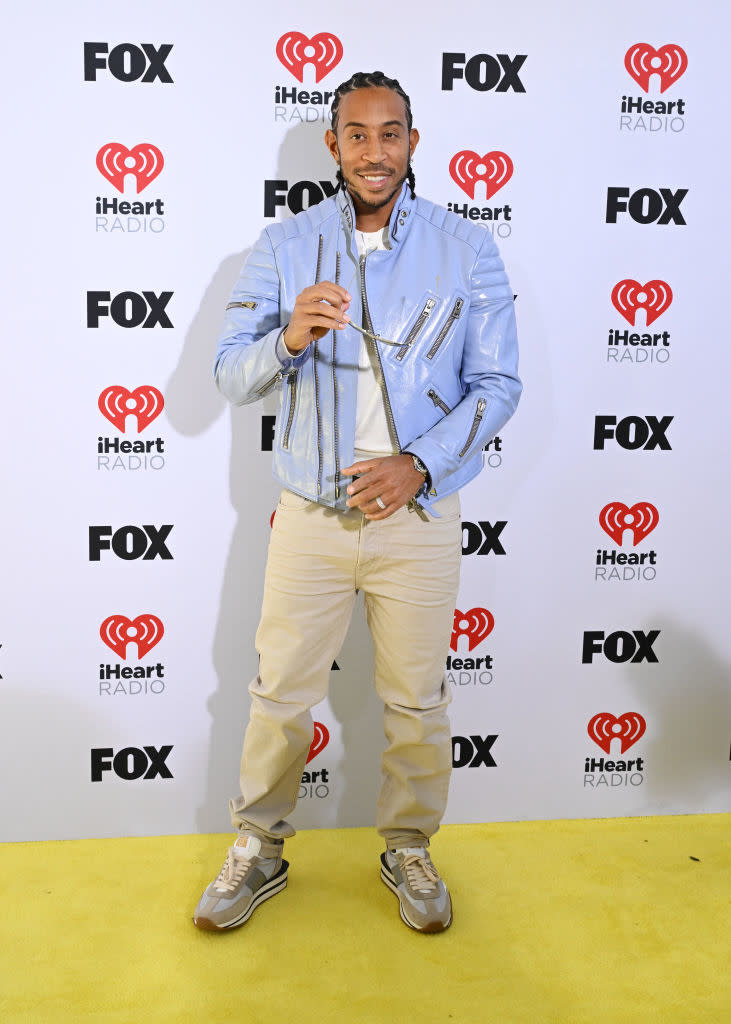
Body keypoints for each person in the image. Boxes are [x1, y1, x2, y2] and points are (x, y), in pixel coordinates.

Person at [194, 70, 521, 934]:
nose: (374, 151)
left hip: (415, 510)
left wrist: (418, 464)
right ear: (333, 146)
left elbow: (496, 382)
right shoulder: (284, 244)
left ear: (414, 143)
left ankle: (408, 845)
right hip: (312, 512)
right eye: (357, 134)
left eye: (391, 133)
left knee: (416, 699)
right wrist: (289, 335)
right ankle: (258, 847)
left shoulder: (467, 247)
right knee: (278, 696)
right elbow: (228, 373)